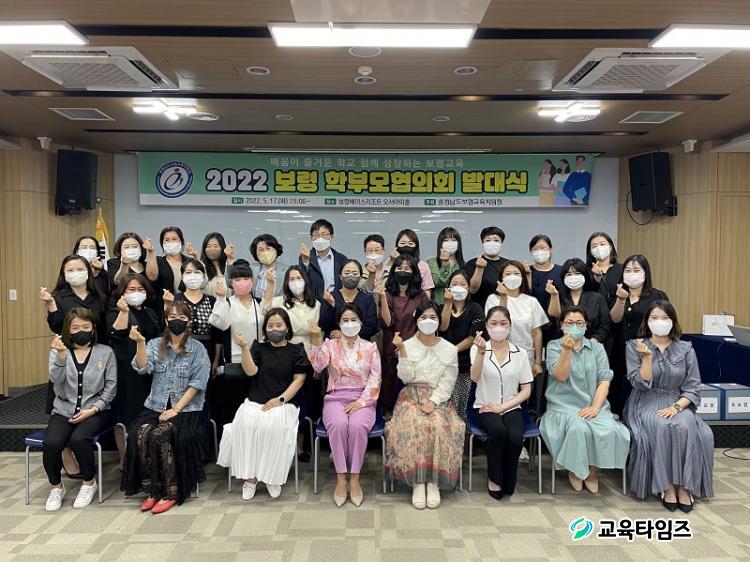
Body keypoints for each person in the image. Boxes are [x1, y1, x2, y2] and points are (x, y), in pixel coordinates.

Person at [624, 301, 713, 511]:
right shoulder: (635, 346)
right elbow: (639, 383)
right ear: (647, 321)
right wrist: (647, 358)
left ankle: (685, 487)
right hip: (645, 400)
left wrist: (677, 407)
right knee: (662, 426)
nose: (660, 322)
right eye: (654, 318)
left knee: (685, 425)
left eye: (665, 318)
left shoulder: (686, 349)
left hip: (677, 401)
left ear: (673, 321)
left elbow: (693, 387)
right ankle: (666, 486)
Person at [123, 301, 211, 514]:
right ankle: (153, 490)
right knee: (141, 433)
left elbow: (197, 384)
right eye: (172, 317)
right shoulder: (155, 344)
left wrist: (176, 409)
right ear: (166, 320)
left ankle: (171, 491)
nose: (176, 321)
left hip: (186, 409)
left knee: (161, 435)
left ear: (189, 321)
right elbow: (142, 368)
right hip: (156, 405)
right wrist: (140, 343)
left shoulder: (198, 349)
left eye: (182, 317)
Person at [217, 308, 311, 500]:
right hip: (255, 401)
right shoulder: (258, 347)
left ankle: (272, 476)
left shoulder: (297, 350)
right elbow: (250, 371)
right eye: (270, 325)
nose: (274, 329)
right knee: (246, 425)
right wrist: (245, 348)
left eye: (279, 325)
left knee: (273, 427)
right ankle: (250, 477)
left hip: (284, 403)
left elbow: (299, 380)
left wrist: (280, 400)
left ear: (287, 327)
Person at [540, 306, 630, 493]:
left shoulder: (597, 348)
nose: (574, 326)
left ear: (586, 326)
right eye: (569, 323)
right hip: (562, 405)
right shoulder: (554, 346)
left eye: (579, 323)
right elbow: (561, 375)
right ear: (562, 325)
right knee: (578, 428)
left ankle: (592, 470)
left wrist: (595, 407)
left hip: (593, 404)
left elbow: (604, 380)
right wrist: (566, 350)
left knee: (610, 429)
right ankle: (575, 469)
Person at [385, 301, 464, 510]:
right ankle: (418, 482)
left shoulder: (449, 349)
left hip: (438, 397)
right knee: (415, 423)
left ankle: (433, 481)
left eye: (433, 317)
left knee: (437, 424)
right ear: (416, 320)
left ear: (439, 321)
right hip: (410, 395)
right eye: (423, 317)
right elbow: (406, 377)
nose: (428, 321)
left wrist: (433, 401)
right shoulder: (408, 344)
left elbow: (448, 381)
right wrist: (402, 350)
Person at [43, 308, 116, 511]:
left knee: (78, 439)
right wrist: (60, 356)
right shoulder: (58, 351)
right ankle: (56, 487)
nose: (81, 331)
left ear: (93, 328)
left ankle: (89, 483)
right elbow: (55, 380)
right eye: (75, 328)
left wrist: (93, 410)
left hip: (95, 410)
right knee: (51, 443)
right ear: (68, 330)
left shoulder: (105, 352)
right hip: (63, 410)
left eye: (85, 326)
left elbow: (111, 387)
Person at [308, 305, 382, 507]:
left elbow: (375, 379)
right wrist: (315, 339)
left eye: (354, 319)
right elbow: (318, 366)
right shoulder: (330, 345)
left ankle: (355, 477)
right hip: (336, 397)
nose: (350, 324)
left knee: (357, 426)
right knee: (339, 425)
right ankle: (341, 477)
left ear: (361, 323)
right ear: (339, 324)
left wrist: (361, 402)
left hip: (363, 398)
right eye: (345, 320)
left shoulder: (370, 348)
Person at [469, 306, 533, 500]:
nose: (498, 327)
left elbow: (526, 390)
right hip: (485, 407)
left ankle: (509, 479)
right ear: (487, 326)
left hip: (511, 407)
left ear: (510, 325)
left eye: (503, 323)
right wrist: (481, 353)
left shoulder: (520, 353)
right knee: (498, 431)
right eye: (494, 323)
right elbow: (474, 377)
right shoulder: (478, 349)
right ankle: (495, 478)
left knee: (515, 437)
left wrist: (503, 407)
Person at [107, 273, 162, 466]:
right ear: (122, 292)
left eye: (140, 289)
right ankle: (127, 460)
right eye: (131, 289)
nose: (136, 293)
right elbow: (116, 335)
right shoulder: (116, 311)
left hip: (150, 371)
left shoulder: (150, 312)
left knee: (149, 416)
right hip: (127, 373)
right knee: (127, 415)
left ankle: (147, 458)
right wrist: (123, 312)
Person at [208, 260, 264, 430]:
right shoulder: (228, 303)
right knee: (236, 409)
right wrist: (220, 297)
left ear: (252, 280)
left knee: (257, 409)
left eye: (246, 278)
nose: (242, 282)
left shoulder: (259, 302)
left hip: (258, 363)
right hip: (235, 363)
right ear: (231, 282)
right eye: (237, 279)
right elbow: (218, 323)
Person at [609, 254, 669, 415]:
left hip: (647, 351)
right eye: (628, 270)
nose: (632, 274)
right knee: (618, 392)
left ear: (645, 273)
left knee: (644, 387)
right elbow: (614, 319)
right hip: (619, 351)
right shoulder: (617, 293)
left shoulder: (657, 296)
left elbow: (665, 322)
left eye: (636, 270)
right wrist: (621, 299)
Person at [377, 254, 429, 414]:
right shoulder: (387, 294)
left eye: (407, 268)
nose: (403, 271)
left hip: (414, 348)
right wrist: (382, 297)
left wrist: (407, 346)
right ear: (394, 270)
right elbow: (387, 322)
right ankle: (388, 414)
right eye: (399, 268)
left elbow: (425, 324)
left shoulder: (421, 296)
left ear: (414, 272)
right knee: (389, 384)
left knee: (412, 387)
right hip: (391, 347)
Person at [438, 270, 484, 431]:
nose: (458, 287)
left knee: (462, 407)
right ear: (448, 288)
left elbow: (472, 337)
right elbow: (442, 327)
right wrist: (448, 303)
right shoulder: (442, 307)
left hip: (466, 366)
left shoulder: (476, 309)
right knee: (445, 406)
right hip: (445, 366)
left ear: (469, 287)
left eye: (462, 284)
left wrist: (453, 350)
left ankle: (463, 437)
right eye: (454, 284)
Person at [485, 261, 547, 377]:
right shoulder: (493, 299)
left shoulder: (531, 301)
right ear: (501, 279)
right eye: (508, 274)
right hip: (500, 356)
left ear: (522, 277)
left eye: (516, 273)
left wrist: (538, 362)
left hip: (527, 357)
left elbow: (537, 333)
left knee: (526, 387)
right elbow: (499, 324)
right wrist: (503, 297)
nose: (512, 277)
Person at [165, 259, 224, 377]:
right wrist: (167, 305)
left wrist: (216, 360)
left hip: (207, 351)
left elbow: (218, 334)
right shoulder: (175, 299)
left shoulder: (212, 300)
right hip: (180, 351)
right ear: (182, 276)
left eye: (197, 272)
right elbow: (167, 329)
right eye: (188, 272)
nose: (193, 276)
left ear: (203, 276)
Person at [547, 258, 611, 344]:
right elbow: (554, 316)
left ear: (585, 275)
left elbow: (605, 325)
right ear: (563, 278)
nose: (573, 277)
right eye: (569, 274)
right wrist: (554, 295)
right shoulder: (558, 296)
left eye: (577, 273)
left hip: (591, 345)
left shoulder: (597, 298)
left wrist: (594, 339)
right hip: (563, 345)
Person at [319, 259, 378, 340]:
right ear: (340, 276)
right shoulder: (331, 297)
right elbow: (323, 325)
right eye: (347, 273)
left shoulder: (367, 300)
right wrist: (331, 306)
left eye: (355, 273)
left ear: (360, 277)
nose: (351, 276)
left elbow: (372, 327)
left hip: (361, 344)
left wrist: (346, 334)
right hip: (335, 345)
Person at [145, 226, 196, 318]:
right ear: (162, 244)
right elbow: (152, 277)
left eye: (174, 239)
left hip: (189, 308)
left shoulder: (189, 261)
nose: (170, 242)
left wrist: (196, 257)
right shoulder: (158, 261)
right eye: (167, 240)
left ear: (181, 241)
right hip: (166, 309)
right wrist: (150, 252)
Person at [299, 219, 348, 302]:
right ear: (311, 237)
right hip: (314, 302)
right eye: (316, 235)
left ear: (331, 237)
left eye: (324, 235)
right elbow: (302, 281)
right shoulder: (305, 256)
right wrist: (306, 261)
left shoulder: (341, 259)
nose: (320, 239)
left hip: (336, 301)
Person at [465, 226, 509, 308]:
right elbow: (472, 290)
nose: (492, 243)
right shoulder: (472, 263)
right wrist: (479, 268)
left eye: (496, 240)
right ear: (483, 243)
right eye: (488, 240)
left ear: (501, 242)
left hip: (503, 309)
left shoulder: (508, 264)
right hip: (479, 310)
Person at [384, 229, 434, 298]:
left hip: (416, 302)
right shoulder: (390, 262)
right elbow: (383, 285)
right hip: (393, 301)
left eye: (410, 243)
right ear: (396, 246)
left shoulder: (423, 265)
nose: (406, 246)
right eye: (402, 243)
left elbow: (427, 291)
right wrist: (392, 261)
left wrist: (424, 304)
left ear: (416, 246)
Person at [427, 227, 465, 307]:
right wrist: (445, 264)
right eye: (446, 240)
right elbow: (438, 282)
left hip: (459, 306)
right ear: (440, 244)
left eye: (453, 240)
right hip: (438, 306)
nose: (450, 243)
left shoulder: (464, 264)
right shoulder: (432, 262)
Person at [586, 232, 623, 309]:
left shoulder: (621, 269)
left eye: (602, 244)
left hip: (617, 312)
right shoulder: (586, 270)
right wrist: (596, 279)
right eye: (594, 246)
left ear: (610, 247)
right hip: (593, 312)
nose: (599, 248)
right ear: (590, 251)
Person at [249, 233, 287, 300]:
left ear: (276, 250)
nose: (265, 252)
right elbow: (231, 284)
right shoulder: (250, 269)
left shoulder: (287, 270)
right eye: (260, 250)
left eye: (268, 248)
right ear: (255, 253)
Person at [200, 232, 234, 298]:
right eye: (208, 246)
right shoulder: (201, 267)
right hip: (207, 303)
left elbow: (233, 284)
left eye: (216, 246)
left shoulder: (229, 266)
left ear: (222, 248)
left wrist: (230, 260)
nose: (212, 249)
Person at [361, 234, 389, 298]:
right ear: (365, 252)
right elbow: (364, 291)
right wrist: (371, 274)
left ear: (383, 251)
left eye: (376, 250)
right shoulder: (359, 272)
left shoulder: (391, 271)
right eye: (370, 250)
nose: (373, 254)